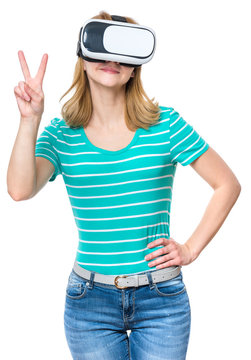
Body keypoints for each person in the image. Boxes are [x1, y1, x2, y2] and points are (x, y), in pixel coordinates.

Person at [7, 10, 241, 360]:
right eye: (102, 47)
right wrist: (30, 120)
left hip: (161, 299)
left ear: (135, 66)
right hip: (89, 302)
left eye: (124, 50)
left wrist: (190, 249)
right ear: (83, 60)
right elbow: (19, 189)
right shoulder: (60, 133)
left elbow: (227, 184)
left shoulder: (166, 125)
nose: (112, 59)